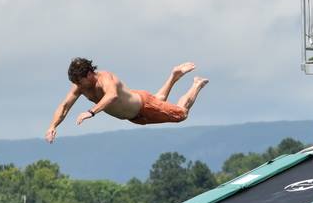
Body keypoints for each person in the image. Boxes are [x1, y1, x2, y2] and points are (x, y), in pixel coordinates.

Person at [45, 58, 207, 142]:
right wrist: (53, 126)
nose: (77, 85)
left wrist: (91, 112)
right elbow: (64, 106)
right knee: (159, 100)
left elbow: (112, 96)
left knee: (182, 114)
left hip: (144, 105)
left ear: (88, 74)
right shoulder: (80, 86)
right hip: (135, 116)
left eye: (79, 81)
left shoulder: (105, 78)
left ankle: (196, 84)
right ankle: (173, 76)